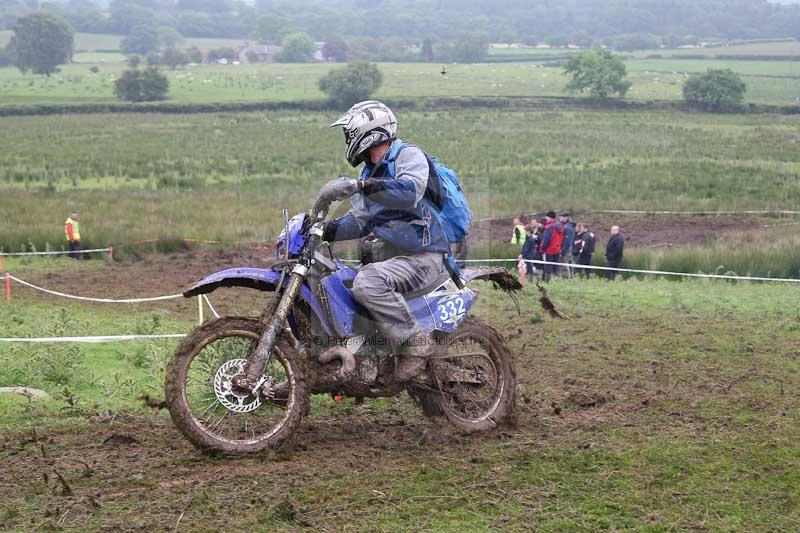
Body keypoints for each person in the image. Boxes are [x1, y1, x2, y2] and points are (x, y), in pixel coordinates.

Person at [319, 100, 451, 383]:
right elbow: (360, 221)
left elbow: (409, 192)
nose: (347, 139)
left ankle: (415, 342)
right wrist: (323, 229)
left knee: (368, 282)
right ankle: (366, 353)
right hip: (393, 260)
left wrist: (362, 187)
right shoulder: (368, 173)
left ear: (367, 131)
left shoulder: (408, 155)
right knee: (344, 281)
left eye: (349, 133)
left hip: (422, 257)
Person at [539, 210, 564, 282]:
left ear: (550, 218)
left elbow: (546, 239)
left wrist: (542, 249)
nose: (546, 219)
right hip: (557, 249)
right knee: (556, 266)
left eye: (547, 217)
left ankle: (547, 281)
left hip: (549, 250)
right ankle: (556, 280)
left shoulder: (550, 227)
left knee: (548, 266)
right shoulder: (560, 226)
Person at [558, 210, 576, 278]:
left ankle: (566, 280)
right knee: (568, 265)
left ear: (566, 218)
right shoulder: (567, 226)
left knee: (564, 266)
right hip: (569, 249)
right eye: (560, 217)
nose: (560, 219)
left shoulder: (567, 228)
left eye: (562, 217)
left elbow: (567, 242)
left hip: (566, 250)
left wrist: (562, 251)